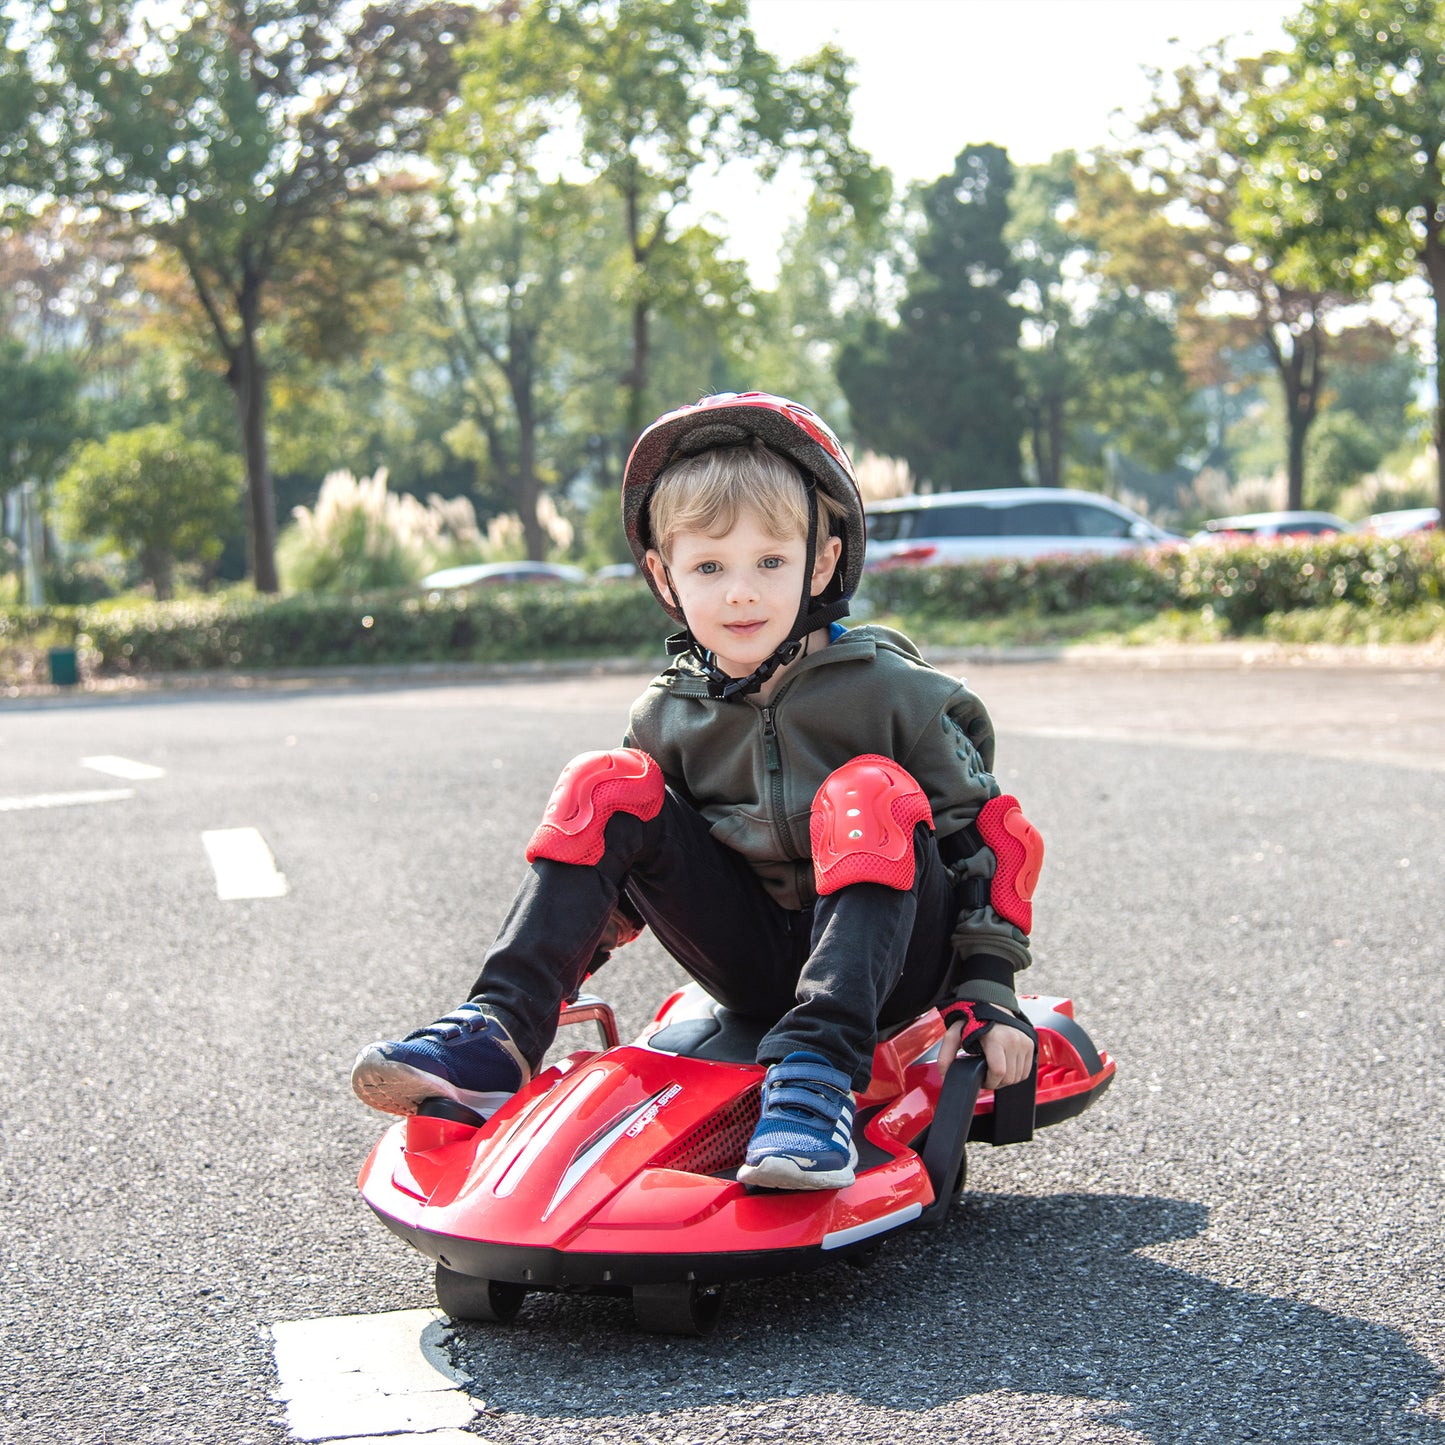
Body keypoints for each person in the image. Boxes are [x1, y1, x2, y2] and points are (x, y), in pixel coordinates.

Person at [352, 391, 1042, 1191]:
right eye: (709, 567)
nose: (739, 593)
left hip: (890, 966)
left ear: (820, 562)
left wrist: (989, 991)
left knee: (868, 790)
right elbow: (623, 872)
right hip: (748, 961)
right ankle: (496, 1034)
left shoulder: (897, 695)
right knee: (605, 783)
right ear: (664, 575)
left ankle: (816, 1080)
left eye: (769, 563)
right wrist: (580, 935)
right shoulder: (666, 712)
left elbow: (986, 837)